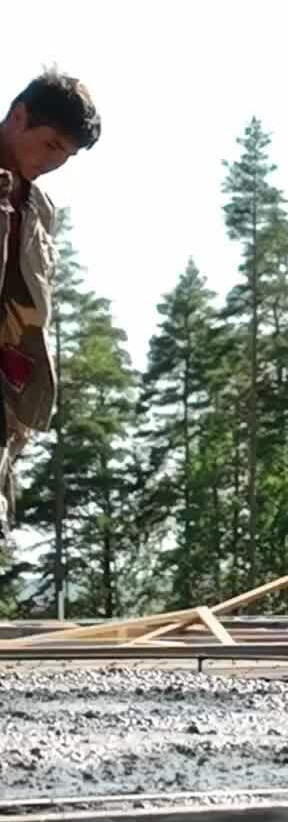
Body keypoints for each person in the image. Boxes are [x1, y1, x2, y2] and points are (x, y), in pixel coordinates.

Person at [0, 72, 101, 538]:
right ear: (19, 116)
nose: (55, 162)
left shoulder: (38, 207)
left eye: (67, 155)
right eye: (51, 145)